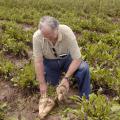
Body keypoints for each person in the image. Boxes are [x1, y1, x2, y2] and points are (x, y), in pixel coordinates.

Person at [32, 16, 91, 99]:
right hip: (50, 62)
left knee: (84, 68)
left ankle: (86, 99)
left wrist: (66, 78)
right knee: (50, 88)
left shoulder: (67, 32)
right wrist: (42, 83)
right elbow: (38, 62)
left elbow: (77, 58)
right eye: (44, 35)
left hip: (66, 59)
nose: (46, 38)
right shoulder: (37, 37)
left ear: (57, 29)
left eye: (49, 35)